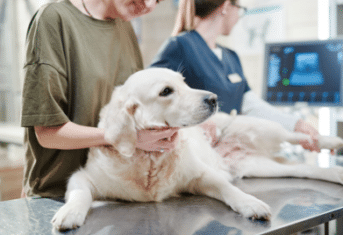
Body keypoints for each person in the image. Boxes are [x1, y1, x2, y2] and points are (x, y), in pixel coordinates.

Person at [21, 0, 179, 198]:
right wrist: (120, 136)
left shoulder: (125, 27)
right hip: (56, 197)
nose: (148, 5)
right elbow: (47, 133)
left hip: (114, 194)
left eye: (158, 0)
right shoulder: (54, 20)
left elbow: (133, 115)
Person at [150, 0, 321, 152]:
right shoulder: (179, 46)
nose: (239, 17)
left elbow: (250, 105)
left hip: (229, 153)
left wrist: (296, 124)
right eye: (239, 9)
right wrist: (193, 123)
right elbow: (150, 99)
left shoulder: (231, 56)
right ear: (225, 6)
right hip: (196, 155)